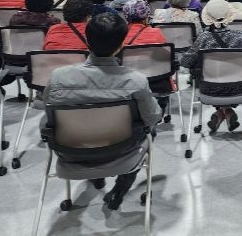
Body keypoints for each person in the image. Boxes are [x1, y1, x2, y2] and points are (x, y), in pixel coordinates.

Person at [43, 12, 161, 210]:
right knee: (150, 130)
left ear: (87, 41)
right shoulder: (136, 80)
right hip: (121, 151)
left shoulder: (58, 77)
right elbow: (152, 117)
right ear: (121, 45)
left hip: (71, 153)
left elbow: (48, 113)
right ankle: (120, 189)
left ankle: (97, 178)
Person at [180, 0, 242, 132]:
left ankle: (221, 112)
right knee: (229, 77)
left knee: (216, 77)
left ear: (207, 18)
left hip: (210, 88)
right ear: (229, 16)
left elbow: (185, 62)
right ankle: (227, 111)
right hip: (240, 87)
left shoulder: (203, 39)